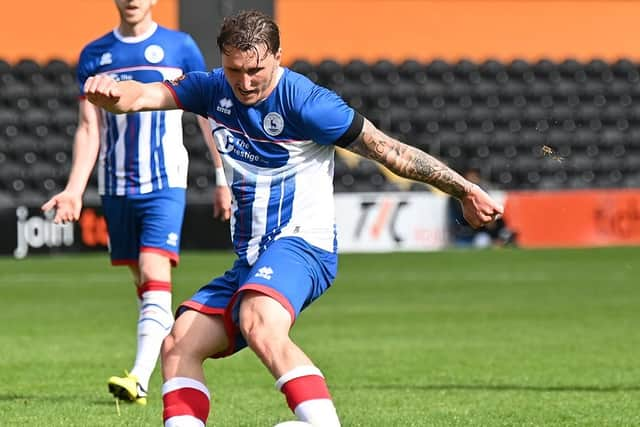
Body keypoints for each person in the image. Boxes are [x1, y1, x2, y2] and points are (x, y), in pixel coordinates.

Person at [81, 10, 503, 426]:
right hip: (251, 258)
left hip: (303, 244)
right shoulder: (213, 90)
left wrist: (464, 189)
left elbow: (389, 150)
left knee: (258, 320)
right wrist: (113, 95)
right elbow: (143, 96)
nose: (245, 82)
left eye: (256, 70)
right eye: (234, 70)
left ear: (279, 56)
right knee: (178, 341)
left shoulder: (308, 103)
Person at [40, 0, 231, 406]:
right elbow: (88, 128)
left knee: (152, 267)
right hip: (115, 186)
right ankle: (165, 356)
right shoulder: (95, 53)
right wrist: (75, 188)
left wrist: (222, 177)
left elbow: (205, 115)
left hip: (165, 181)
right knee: (143, 282)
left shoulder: (179, 47)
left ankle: (139, 378)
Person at [447, 168, 517, 248]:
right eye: (471, 176)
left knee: (498, 219)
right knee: (486, 225)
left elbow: (487, 206)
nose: (473, 179)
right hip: (468, 221)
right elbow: (460, 212)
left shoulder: (481, 193)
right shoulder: (457, 194)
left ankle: (502, 237)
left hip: (480, 220)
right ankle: (497, 239)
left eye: (475, 177)